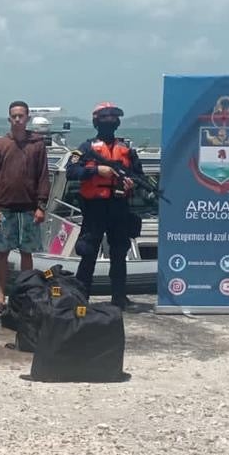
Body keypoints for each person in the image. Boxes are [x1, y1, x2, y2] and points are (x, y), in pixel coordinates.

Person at [66, 102, 145, 308]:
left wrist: (131, 182)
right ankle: (82, 297)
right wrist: (96, 171)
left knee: (119, 252)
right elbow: (71, 172)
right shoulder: (85, 148)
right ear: (96, 123)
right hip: (94, 208)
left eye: (113, 120)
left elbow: (138, 176)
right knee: (88, 251)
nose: (109, 124)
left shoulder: (127, 150)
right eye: (104, 120)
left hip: (119, 207)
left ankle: (119, 297)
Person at [0, 100, 49, 314]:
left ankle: (25, 296)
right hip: (4, 208)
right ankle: (1, 297)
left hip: (29, 208)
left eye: (21, 115)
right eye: (14, 116)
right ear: (9, 118)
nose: (18, 119)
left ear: (27, 118)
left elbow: (43, 176)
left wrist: (41, 205)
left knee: (26, 253)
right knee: (2, 253)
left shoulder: (38, 144)